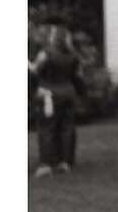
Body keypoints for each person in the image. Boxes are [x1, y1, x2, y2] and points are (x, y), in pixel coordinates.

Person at [29, 23, 86, 178]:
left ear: (54, 38)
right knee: (67, 128)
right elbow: (78, 76)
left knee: (47, 128)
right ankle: (65, 161)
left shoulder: (46, 53)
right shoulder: (74, 55)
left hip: (49, 93)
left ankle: (46, 164)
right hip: (68, 93)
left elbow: (35, 70)